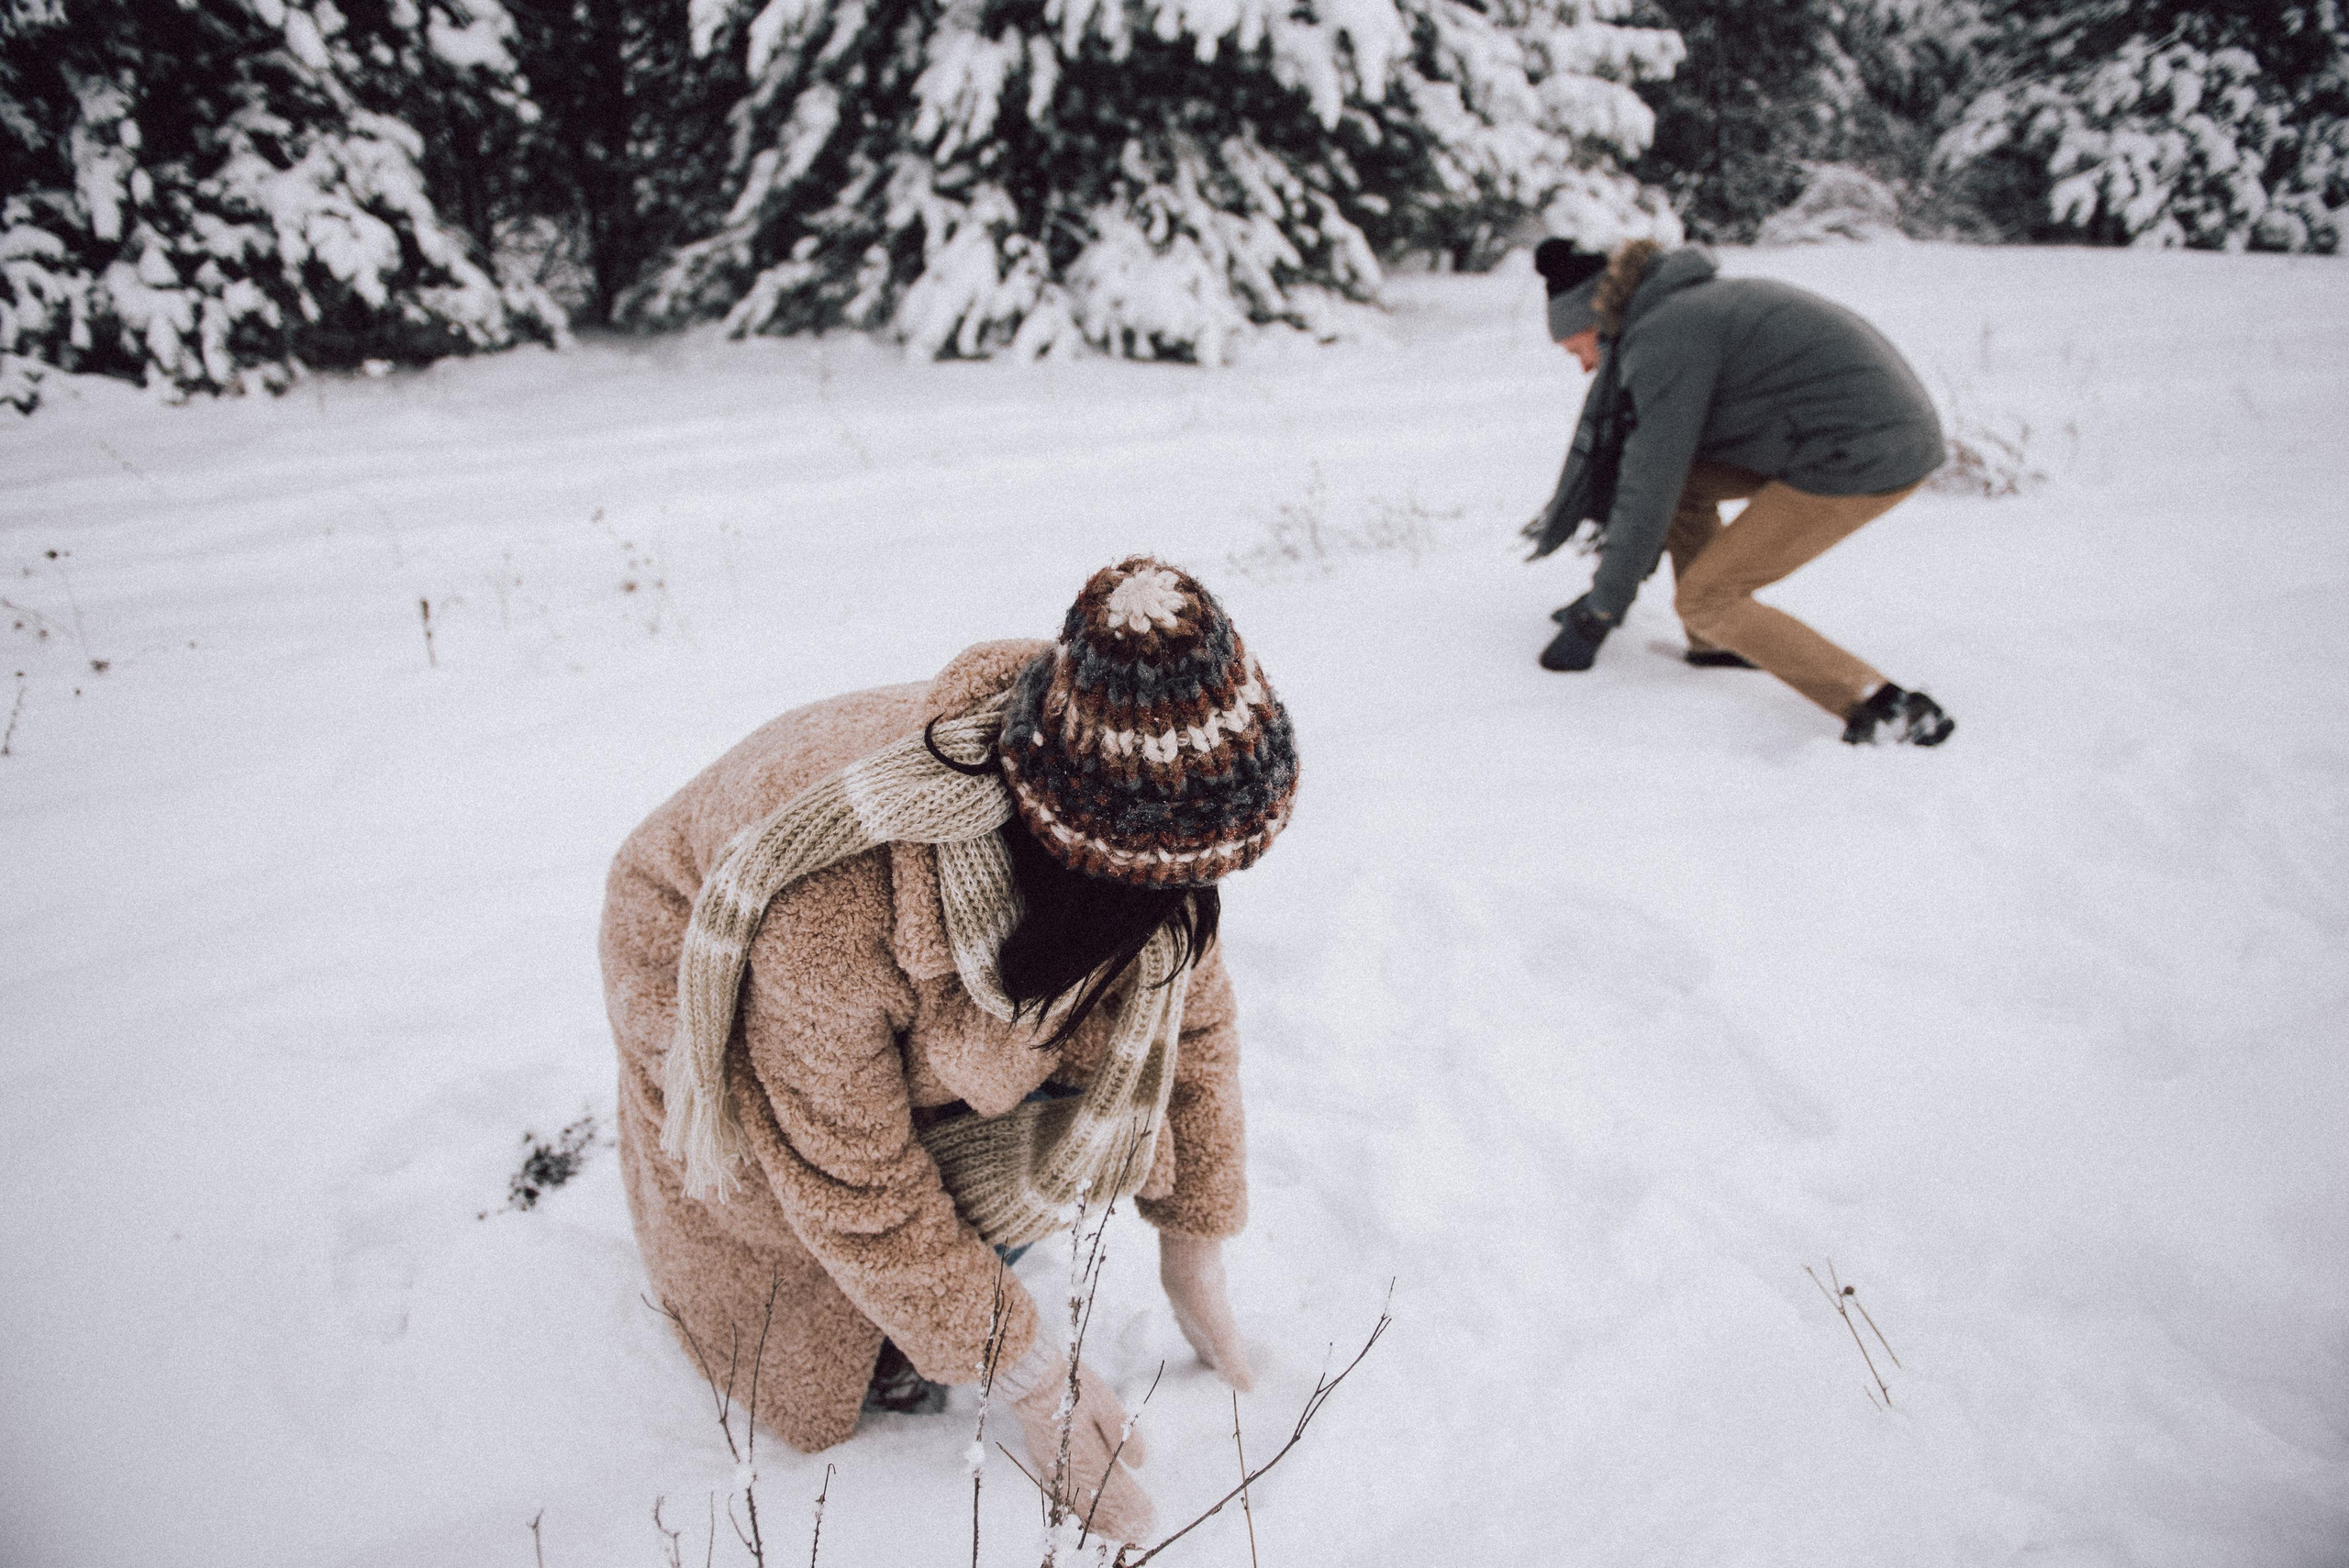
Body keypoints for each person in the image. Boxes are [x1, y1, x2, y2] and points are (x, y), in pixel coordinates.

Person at [599, 558, 1299, 1544]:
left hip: (944, 948)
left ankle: (943, 1274)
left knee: (1018, 1118)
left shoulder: (1140, 852)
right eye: (1167, 887)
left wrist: (1194, 1245)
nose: (1188, 910)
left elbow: (1195, 1019)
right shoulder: (833, 902)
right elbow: (849, 1174)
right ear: (1082, 865)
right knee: (782, 1214)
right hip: (699, 948)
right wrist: (1026, 1370)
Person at [1524, 236, 1957, 746]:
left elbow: (1647, 485)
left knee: (1707, 597)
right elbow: (1662, 476)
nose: (1584, 367)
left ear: (1598, 322)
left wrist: (1600, 611)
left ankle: (1888, 707)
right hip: (1839, 435)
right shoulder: (1679, 310)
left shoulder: (1666, 334)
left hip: (1863, 452)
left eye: (1578, 349)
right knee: (1688, 487)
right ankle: (1714, 641)